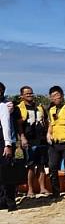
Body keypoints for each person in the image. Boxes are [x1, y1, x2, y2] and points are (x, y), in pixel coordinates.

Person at [16, 86, 49, 198]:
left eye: (31, 93)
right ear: (22, 96)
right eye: (27, 94)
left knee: (41, 165)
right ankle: (30, 189)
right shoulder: (19, 108)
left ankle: (42, 187)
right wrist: (22, 138)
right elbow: (19, 125)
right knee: (30, 165)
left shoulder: (39, 107)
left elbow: (46, 121)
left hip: (41, 139)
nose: (29, 95)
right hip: (28, 140)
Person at [0, 82, 19, 211]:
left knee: (7, 171)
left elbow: (6, 126)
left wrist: (8, 144)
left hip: (2, 140)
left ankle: (10, 202)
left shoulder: (3, 106)